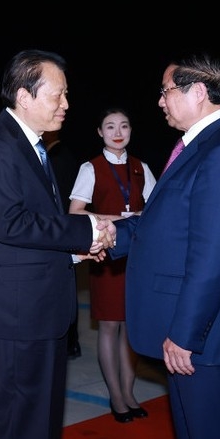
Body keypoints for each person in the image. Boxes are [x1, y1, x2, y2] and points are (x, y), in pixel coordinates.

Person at [109, 52, 220, 439]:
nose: (160, 101)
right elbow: (168, 225)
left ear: (197, 92)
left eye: (165, 91)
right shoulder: (200, 145)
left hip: (205, 340)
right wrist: (103, 234)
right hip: (193, 338)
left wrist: (185, 334)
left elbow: (215, 254)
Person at [0, 49, 116, 439]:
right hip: (16, 316)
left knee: (43, 423)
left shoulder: (31, 146)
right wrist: (84, 229)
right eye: (58, 95)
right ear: (24, 96)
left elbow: (27, 230)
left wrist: (71, 250)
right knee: (22, 425)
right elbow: (11, 223)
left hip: (39, 312)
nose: (66, 105)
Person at [69, 107, 157, 422]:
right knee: (109, 326)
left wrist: (143, 218)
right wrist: (118, 218)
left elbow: (157, 210)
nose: (117, 132)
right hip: (106, 255)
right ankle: (116, 397)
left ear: (131, 130)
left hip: (137, 257)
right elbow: (76, 212)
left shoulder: (140, 167)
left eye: (123, 125)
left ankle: (130, 393)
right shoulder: (90, 168)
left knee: (131, 326)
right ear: (100, 132)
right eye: (110, 126)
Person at [42, 129, 83, 360]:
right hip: (66, 229)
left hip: (60, 230)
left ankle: (68, 342)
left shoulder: (56, 157)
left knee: (62, 289)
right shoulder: (63, 154)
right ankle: (71, 341)